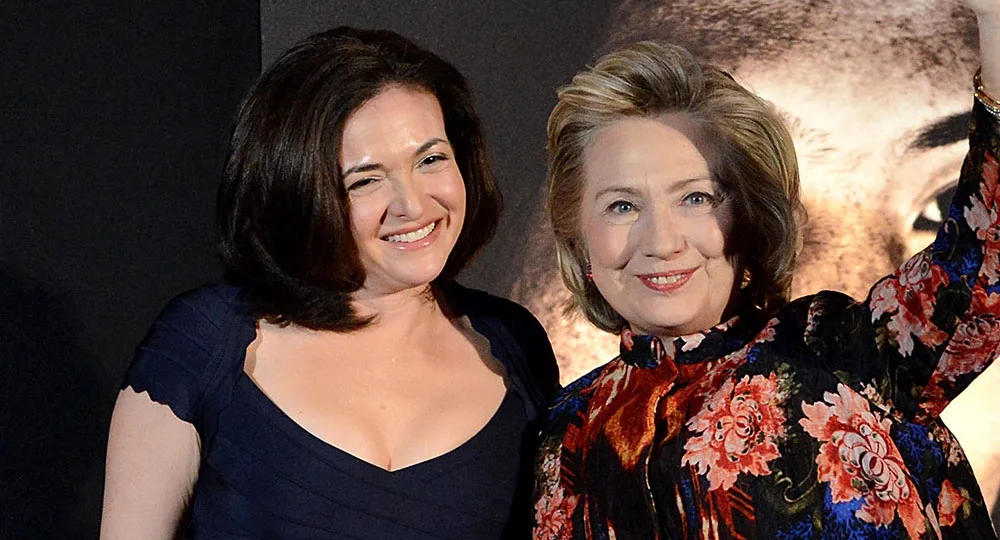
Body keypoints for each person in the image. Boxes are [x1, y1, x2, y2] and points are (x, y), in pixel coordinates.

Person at [532, 0, 1000, 536]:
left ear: (751, 216)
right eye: (622, 206)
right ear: (577, 235)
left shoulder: (840, 351)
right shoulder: (564, 429)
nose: (662, 241)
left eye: (696, 198)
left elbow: (984, 258)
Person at [100, 27, 558, 540]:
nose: (413, 204)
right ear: (296, 192)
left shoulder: (514, 342)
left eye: (430, 160)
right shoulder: (205, 342)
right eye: (365, 180)